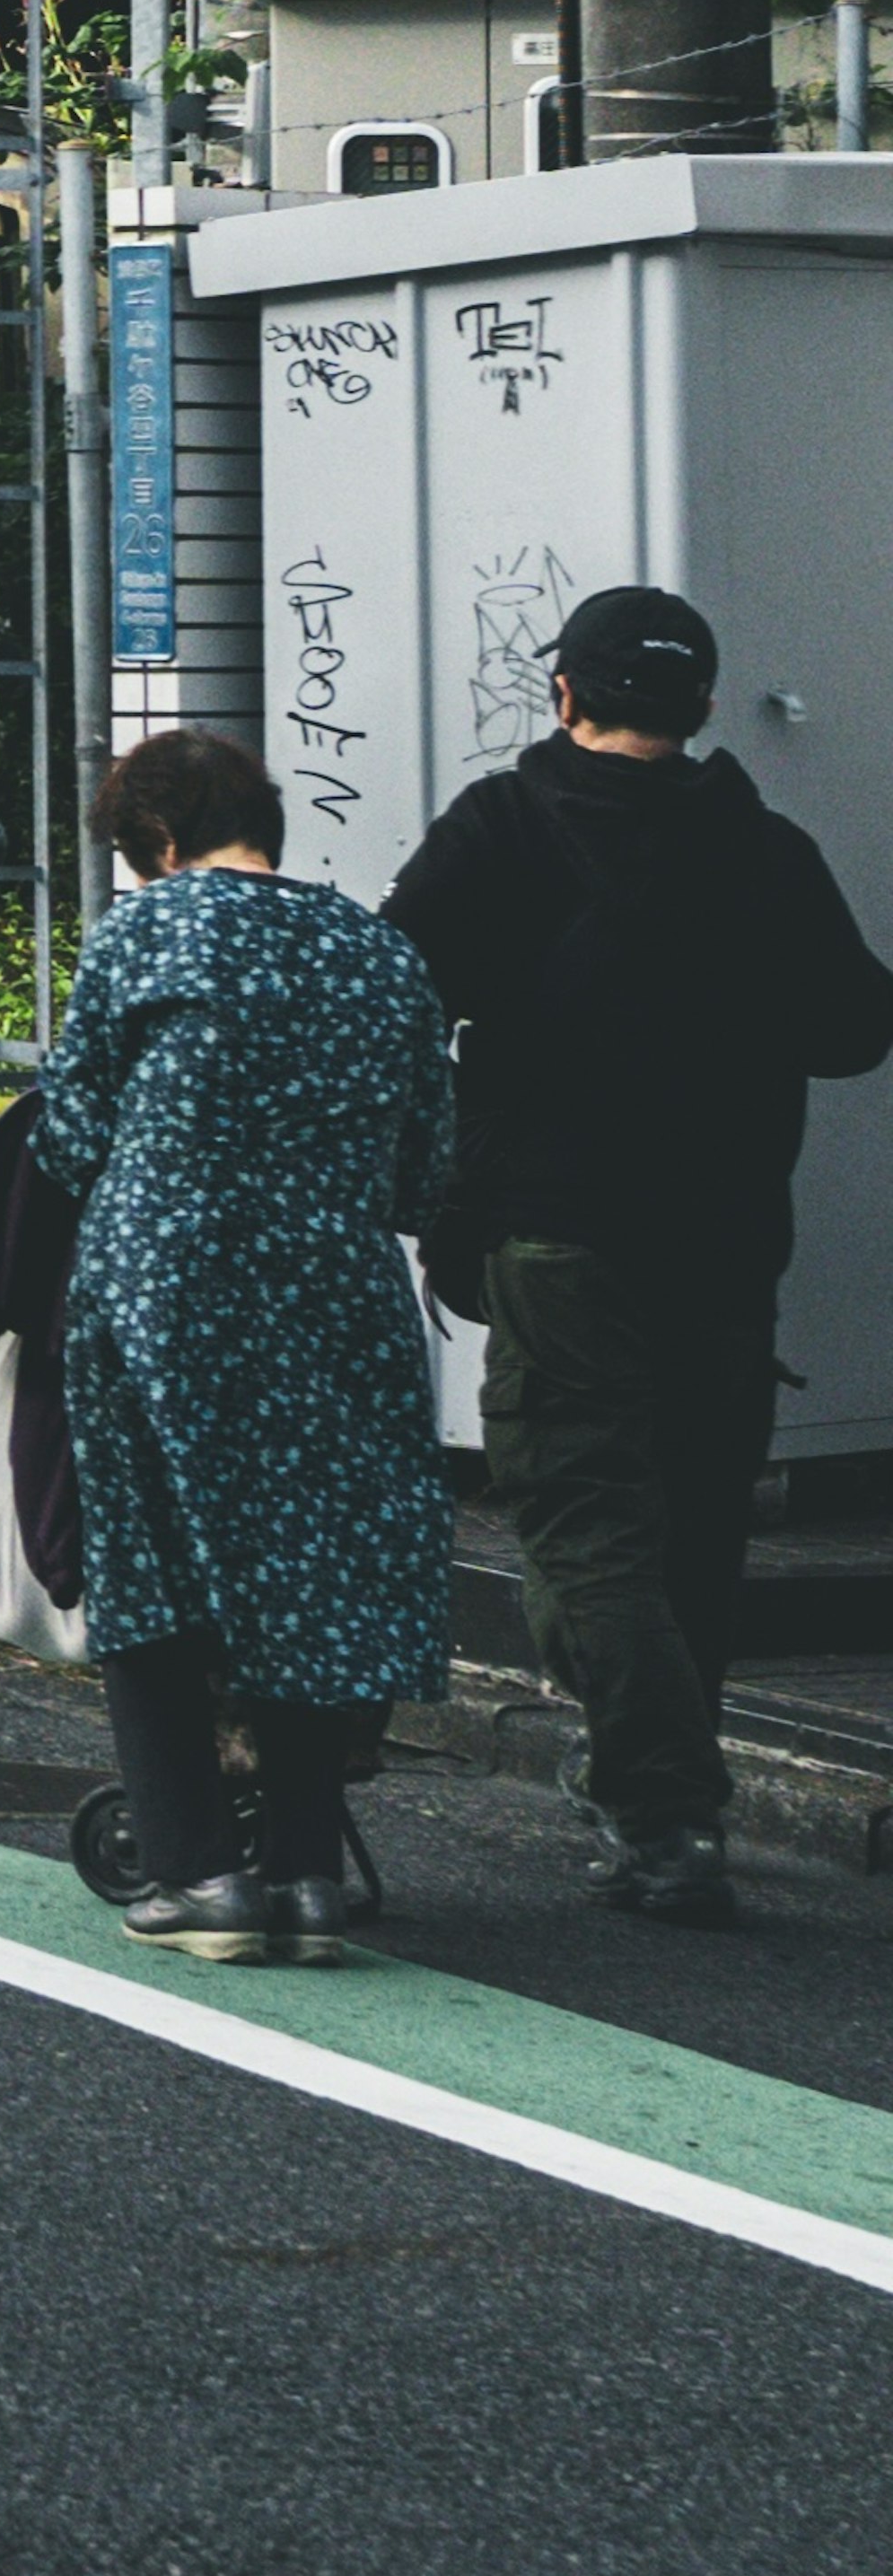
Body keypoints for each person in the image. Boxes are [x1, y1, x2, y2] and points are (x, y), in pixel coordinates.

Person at [382, 585, 893, 1927]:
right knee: (694, 1534)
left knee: (582, 1523)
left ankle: (665, 1813)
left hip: (558, 1238)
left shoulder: (501, 828)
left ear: (564, 695)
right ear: (705, 708)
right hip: (728, 1242)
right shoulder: (764, 850)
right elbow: (855, 1029)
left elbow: (392, 989)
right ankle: (648, 1771)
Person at [38, 726, 454, 1968]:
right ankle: (308, 1878)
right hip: (341, 1288)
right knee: (313, 1563)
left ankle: (196, 1874)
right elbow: (425, 1172)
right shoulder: (381, 952)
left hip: (167, 1283)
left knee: (155, 1559)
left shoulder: (151, 931)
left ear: (157, 841)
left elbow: (70, 1136)